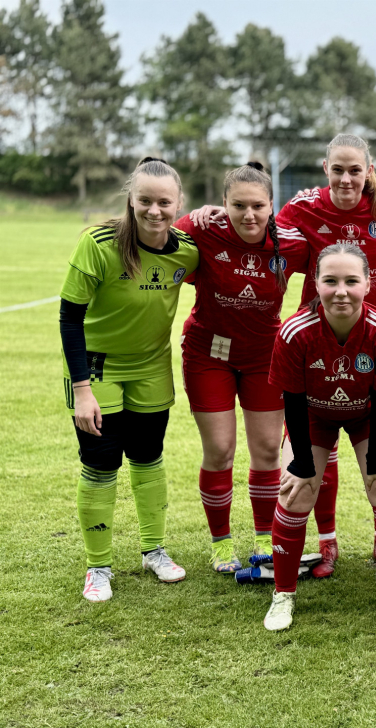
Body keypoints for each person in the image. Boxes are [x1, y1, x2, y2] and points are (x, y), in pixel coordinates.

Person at [194, 134, 376, 578]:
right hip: (314, 341)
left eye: (356, 170)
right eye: (338, 170)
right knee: (317, 457)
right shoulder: (302, 207)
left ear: (370, 171)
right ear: (325, 168)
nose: (347, 179)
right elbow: (257, 225)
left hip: (373, 345)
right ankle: (326, 541)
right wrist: (219, 213)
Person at [59, 157, 199, 602]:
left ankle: (153, 551)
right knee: (101, 463)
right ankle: (98, 567)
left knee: (148, 456)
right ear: (131, 200)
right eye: (145, 200)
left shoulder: (186, 251)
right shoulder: (98, 243)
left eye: (164, 202)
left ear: (178, 202)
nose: (155, 210)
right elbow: (69, 319)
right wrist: (82, 390)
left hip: (152, 367)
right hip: (97, 368)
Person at [263, 243, 376, 630]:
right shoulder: (295, 331)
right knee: (295, 492)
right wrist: (301, 463)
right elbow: (293, 401)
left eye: (351, 281)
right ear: (315, 283)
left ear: (368, 284)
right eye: (330, 281)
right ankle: (283, 594)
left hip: (368, 415)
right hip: (313, 415)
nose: (341, 291)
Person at [175, 162, 309, 572]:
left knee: (267, 450)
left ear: (272, 205)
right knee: (219, 450)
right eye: (238, 206)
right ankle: (221, 545)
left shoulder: (292, 244)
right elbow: (157, 240)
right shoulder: (200, 229)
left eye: (257, 206)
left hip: (264, 357)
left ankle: (265, 540)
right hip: (208, 355)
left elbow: (335, 267)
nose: (249, 215)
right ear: (223, 204)